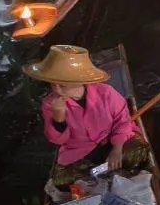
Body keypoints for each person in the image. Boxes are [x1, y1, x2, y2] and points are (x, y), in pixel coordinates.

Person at [24, 45, 149, 188]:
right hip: (80, 151)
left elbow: (123, 121)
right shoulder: (50, 104)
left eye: (63, 85)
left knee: (139, 151)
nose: (57, 90)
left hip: (112, 141)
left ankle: (101, 171)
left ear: (80, 81)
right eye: (53, 85)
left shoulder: (106, 93)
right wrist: (59, 118)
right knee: (61, 181)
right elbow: (58, 140)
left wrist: (117, 149)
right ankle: (101, 172)